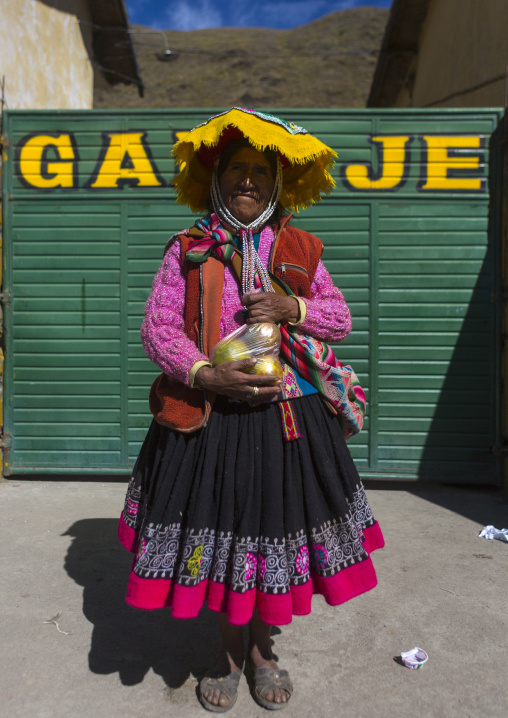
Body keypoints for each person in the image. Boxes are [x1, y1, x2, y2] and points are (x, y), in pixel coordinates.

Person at [118, 108, 384, 712]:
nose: (248, 182)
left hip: (289, 421)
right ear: (215, 178)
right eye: (236, 170)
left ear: (277, 184)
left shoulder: (298, 249)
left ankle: (263, 651)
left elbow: (339, 318)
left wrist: (294, 309)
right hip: (212, 419)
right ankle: (227, 657)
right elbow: (159, 329)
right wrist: (206, 373)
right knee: (219, 540)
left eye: (260, 172)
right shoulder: (188, 250)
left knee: (271, 536)